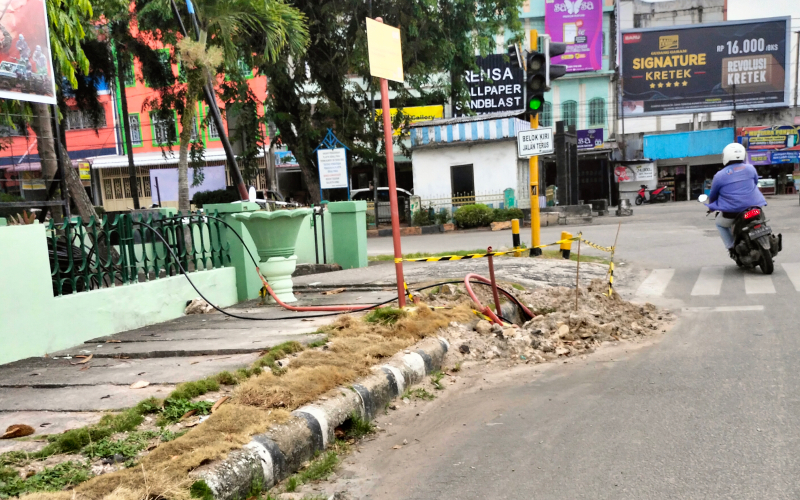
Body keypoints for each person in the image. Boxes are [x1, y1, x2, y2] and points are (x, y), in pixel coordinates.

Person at [705, 143, 766, 257]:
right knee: (761, 219)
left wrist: (711, 207)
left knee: (720, 224)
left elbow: (713, 195)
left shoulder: (719, 175)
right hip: (754, 207)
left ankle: (731, 247)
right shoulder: (750, 168)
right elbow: (755, 183)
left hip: (732, 213)